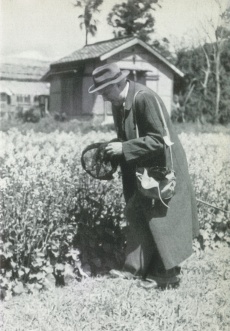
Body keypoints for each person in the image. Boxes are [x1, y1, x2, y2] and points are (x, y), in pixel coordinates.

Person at [88, 63, 199, 288]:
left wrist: (125, 149)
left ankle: (166, 276)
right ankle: (134, 270)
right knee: (136, 212)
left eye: (105, 91)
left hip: (164, 167)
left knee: (162, 220)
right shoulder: (119, 103)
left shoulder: (144, 98)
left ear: (118, 83)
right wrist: (115, 148)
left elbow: (161, 140)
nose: (103, 97)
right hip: (143, 169)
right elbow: (126, 137)